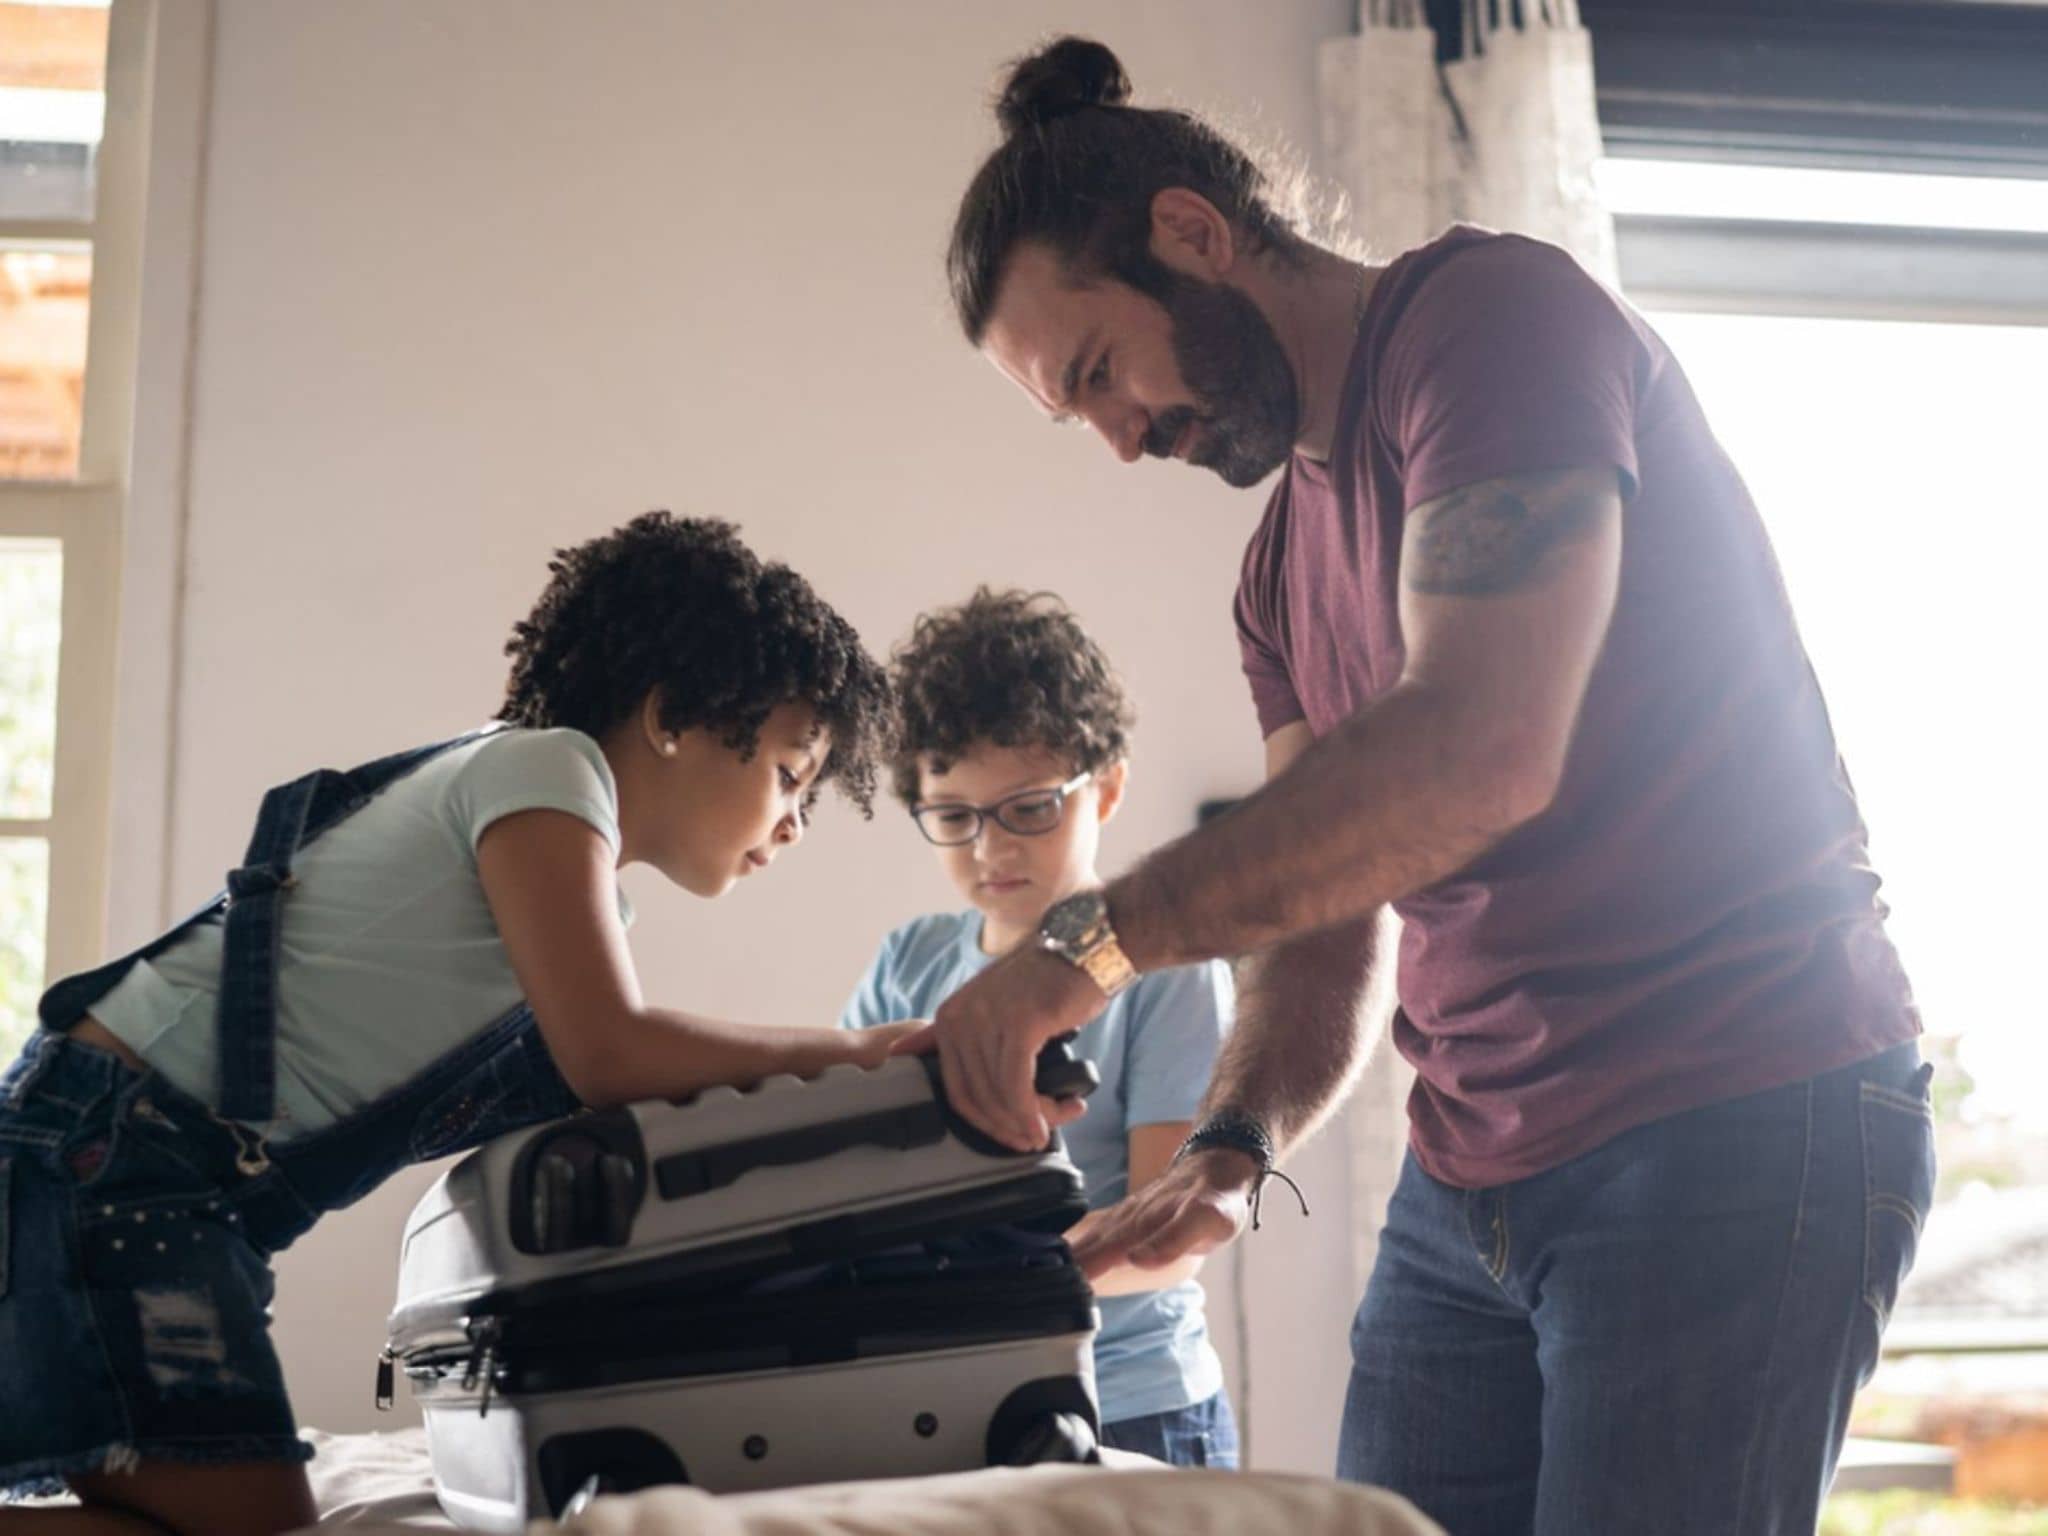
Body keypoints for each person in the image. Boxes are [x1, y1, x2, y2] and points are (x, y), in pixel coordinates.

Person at [904, 35, 1934, 1533]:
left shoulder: (1490, 324)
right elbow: (1325, 913)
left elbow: (1475, 748)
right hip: (1468, 1180)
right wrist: (1231, 1148)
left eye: (1100, 374)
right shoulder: (1273, 579)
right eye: (1081, 417)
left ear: (1191, 233)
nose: (1121, 442)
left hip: (1730, 1108)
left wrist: (1081, 948)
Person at [0, 513, 905, 1536]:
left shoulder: (564, 869)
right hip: (119, 1158)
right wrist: (865, 1052)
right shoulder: (546, 770)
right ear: (670, 717)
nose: (795, 823)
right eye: (790, 774)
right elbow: (613, 1053)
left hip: (141, 1167)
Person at [840, 588, 1237, 1467]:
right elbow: (856, 1185)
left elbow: (1170, 1234)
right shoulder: (906, 963)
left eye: (1028, 808)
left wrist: (977, 1284)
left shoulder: (1165, 970)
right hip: (953, 1406)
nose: (991, 849)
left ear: (1108, 788)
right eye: (954, 816)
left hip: (1130, 1402)